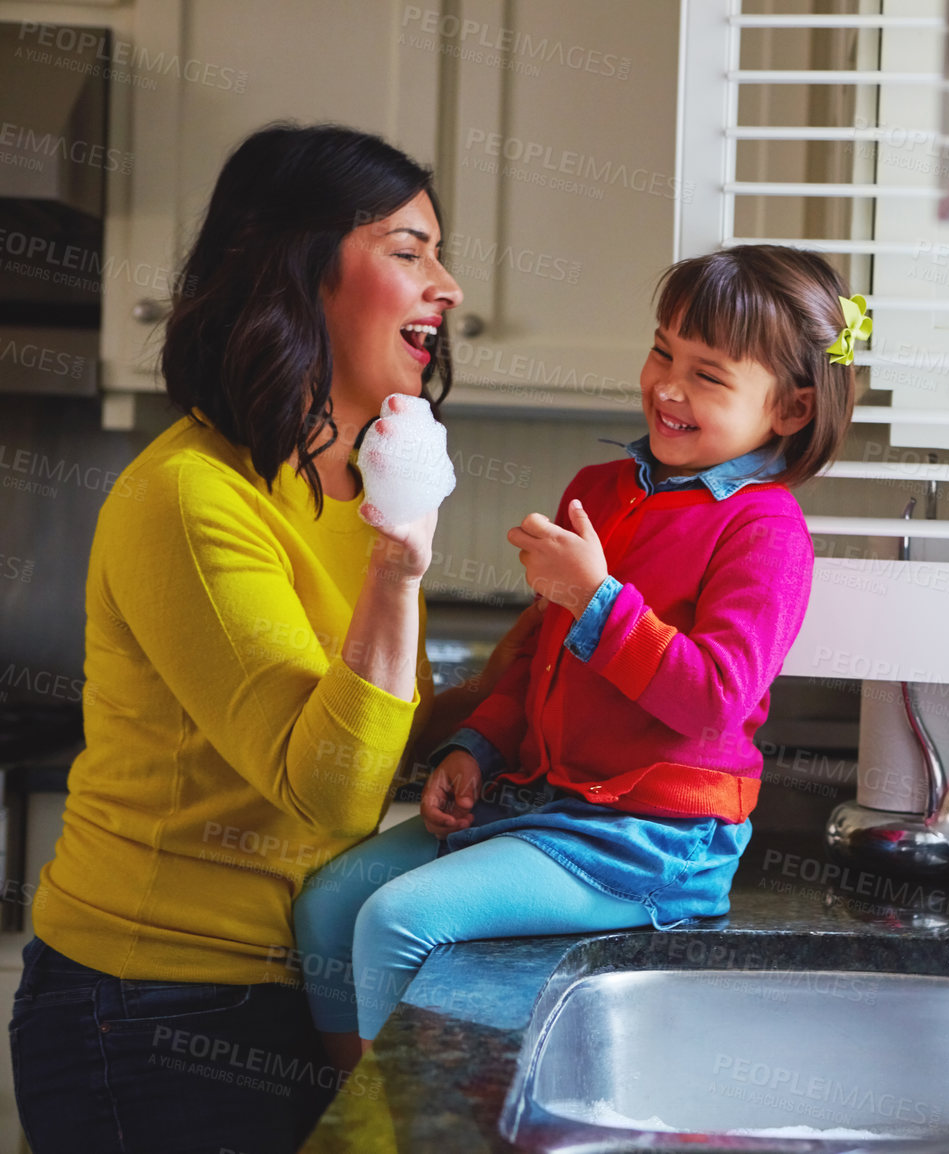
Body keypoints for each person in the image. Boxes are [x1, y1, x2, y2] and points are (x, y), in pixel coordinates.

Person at [8, 123, 538, 1154]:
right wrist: (400, 568)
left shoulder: (359, 478)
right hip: (159, 1008)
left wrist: (534, 668)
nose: (449, 286)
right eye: (408, 250)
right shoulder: (190, 497)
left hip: (295, 978)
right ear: (300, 275)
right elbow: (330, 786)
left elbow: (374, 731)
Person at [292, 244, 858, 1054]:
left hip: (652, 838)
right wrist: (477, 745)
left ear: (792, 410)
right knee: (326, 904)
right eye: (663, 350)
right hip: (542, 799)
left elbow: (714, 698)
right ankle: (354, 1121)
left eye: (708, 375)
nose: (668, 386)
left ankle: (391, 1134)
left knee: (396, 918)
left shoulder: (766, 531)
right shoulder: (597, 490)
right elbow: (535, 657)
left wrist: (596, 599)